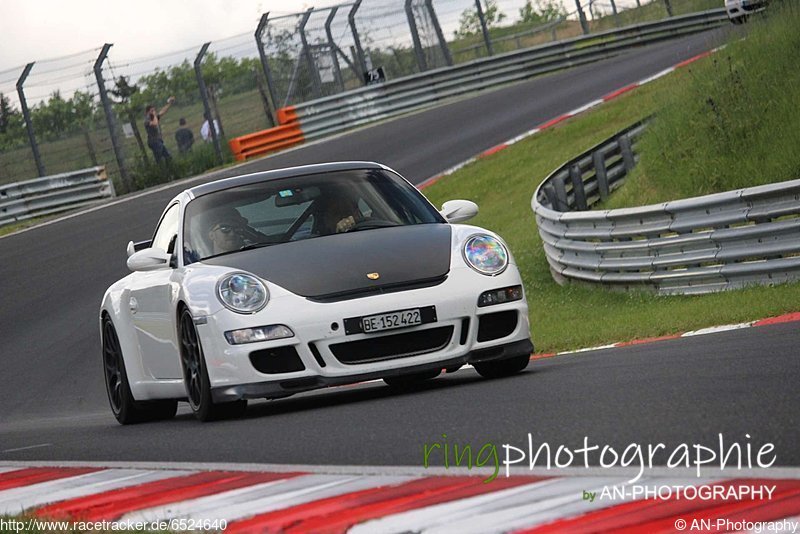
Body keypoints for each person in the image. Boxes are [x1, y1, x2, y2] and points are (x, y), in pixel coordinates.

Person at [144, 96, 176, 163]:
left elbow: (162, 112)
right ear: (148, 112)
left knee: (167, 156)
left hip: (158, 140)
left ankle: (169, 169)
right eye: (152, 111)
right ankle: (161, 170)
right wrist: (155, 115)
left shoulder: (154, 117)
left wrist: (169, 104)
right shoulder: (147, 120)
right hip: (154, 141)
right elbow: (155, 123)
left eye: (154, 110)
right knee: (159, 158)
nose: (154, 112)